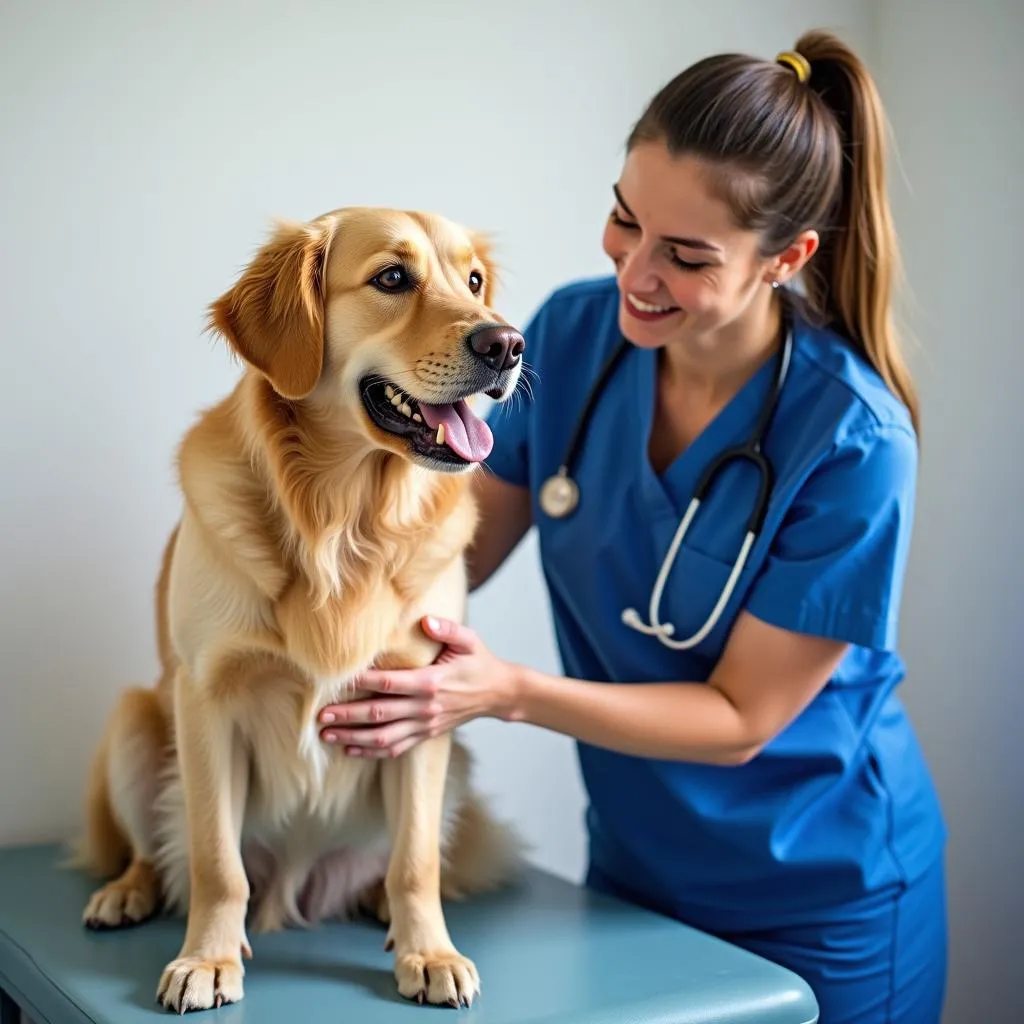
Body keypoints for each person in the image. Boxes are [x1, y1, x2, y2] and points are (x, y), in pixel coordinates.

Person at [318, 29, 948, 1023]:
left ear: (786, 258)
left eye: (685, 256)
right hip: (632, 871)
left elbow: (743, 720)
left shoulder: (853, 441)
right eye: (624, 221)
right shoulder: (570, 338)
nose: (635, 273)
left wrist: (505, 692)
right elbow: (449, 556)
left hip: (820, 894)